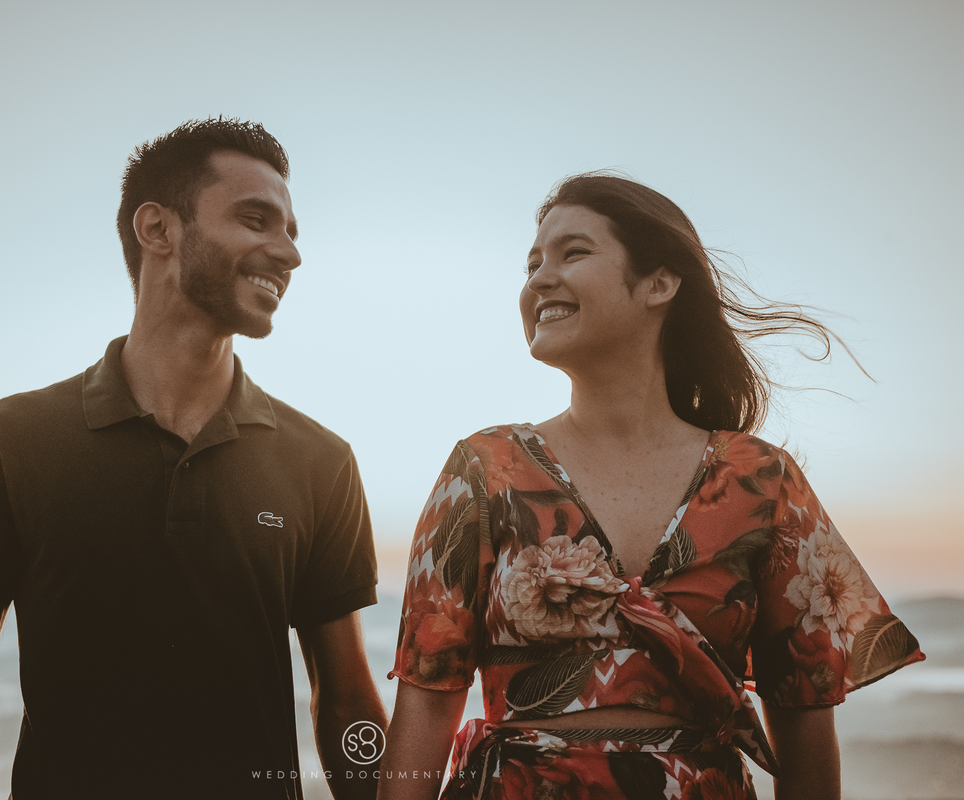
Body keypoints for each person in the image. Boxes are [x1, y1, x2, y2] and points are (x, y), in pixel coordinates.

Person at [0, 118, 387, 800]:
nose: (288, 253)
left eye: (292, 231)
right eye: (256, 219)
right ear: (158, 230)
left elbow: (348, 699)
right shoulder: (11, 439)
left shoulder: (319, 461)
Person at [378, 173, 924, 800]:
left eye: (572, 253)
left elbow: (805, 732)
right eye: (532, 264)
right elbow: (423, 709)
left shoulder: (762, 482)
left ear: (659, 283)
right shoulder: (485, 469)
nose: (538, 279)